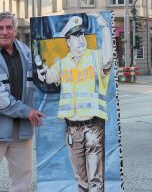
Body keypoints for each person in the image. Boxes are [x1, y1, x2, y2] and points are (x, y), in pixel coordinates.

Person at [36, 14, 113, 192]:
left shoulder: (95, 57)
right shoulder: (63, 64)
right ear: (68, 41)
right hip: (72, 129)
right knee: (81, 180)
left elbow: (109, 58)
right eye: (76, 36)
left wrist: (105, 28)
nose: (81, 39)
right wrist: (41, 70)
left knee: (95, 181)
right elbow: (48, 77)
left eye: (82, 35)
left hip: (93, 127)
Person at [0, 12, 45, 192]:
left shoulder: (26, 52)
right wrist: (26, 111)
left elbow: (40, 82)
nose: (4, 32)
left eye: (9, 27)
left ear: (15, 30)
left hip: (22, 130)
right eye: (0, 28)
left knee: (22, 182)